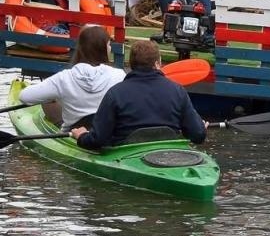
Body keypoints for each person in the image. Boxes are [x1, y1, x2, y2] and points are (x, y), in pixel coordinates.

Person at [72, 39, 207, 150]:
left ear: (131, 65)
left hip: (127, 155)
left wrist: (82, 136)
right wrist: (200, 127)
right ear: (157, 63)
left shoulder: (116, 93)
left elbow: (98, 140)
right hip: (169, 154)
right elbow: (198, 135)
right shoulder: (178, 91)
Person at [16, 25, 123, 128]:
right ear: (103, 49)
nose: (110, 48)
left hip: (75, 134)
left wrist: (52, 96)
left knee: (49, 101)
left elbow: (24, 97)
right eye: (109, 45)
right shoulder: (119, 75)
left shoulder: (64, 78)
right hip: (108, 132)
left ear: (80, 48)